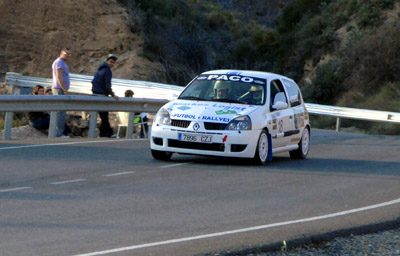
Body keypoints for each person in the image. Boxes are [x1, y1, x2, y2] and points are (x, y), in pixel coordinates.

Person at [91, 54, 120, 138]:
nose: (112, 64)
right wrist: (113, 94)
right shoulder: (107, 71)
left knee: (103, 115)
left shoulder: (100, 70)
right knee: (104, 116)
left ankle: (104, 133)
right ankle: (109, 133)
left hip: (95, 95)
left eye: (113, 63)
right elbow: (107, 85)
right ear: (107, 61)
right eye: (111, 62)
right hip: (101, 95)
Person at [52, 48, 71, 138]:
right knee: (60, 112)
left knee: (61, 112)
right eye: (66, 53)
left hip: (61, 89)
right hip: (59, 89)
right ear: (61, 53)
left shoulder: (63, 63)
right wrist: (64, 90)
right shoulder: (59, 62)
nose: (68, 55)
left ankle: (58, 132)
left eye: (69, 54)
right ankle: (58, 133)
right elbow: (59, 76)